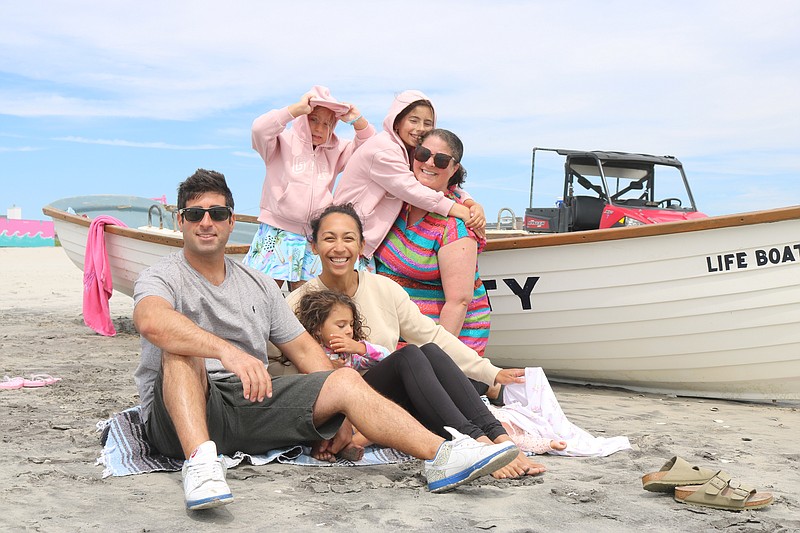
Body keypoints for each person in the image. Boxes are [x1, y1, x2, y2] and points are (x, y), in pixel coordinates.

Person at [132, 169, 519, 511]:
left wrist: (342, 416)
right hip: (178, 413)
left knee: (345, 378)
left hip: (247, 402)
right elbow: (152, 320)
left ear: (231, 222)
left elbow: (303, 349)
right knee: (180, 351)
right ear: (180, 221)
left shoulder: (259, 285)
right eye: (195, 214)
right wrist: (225, 351)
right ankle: (201, 464)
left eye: (216, 214)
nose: (206, 222)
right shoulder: (162, 276)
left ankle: (443, 456)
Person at [281, 203, 547, 479]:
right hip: (336, 401)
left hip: (381, 400)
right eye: (329, 238)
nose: (339, 247)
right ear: (314, 246)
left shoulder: (384, 289)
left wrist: (491, 372)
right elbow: (277, 364)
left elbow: (432, 335)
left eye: (348, 238)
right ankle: (478, 446)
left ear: (361, 245)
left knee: (427, 350)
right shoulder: (299, 302)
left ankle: (501, 441)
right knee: (408, 357)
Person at [332, 90, 485, 268]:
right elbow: (412, 190)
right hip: (345, 238)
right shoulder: (384, 150)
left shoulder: (411, 151)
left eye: (427, 123)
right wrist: (461, 211)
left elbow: (447, 181)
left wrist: (471, 203)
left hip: (361, 241)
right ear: (396, 122)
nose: (420, 128)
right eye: (413, 120)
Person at [243, 86, 376, 290]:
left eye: (327, 123)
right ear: (303, 118)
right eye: (314, 120)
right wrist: (295, 109)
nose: (319, 129)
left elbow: (369, 147)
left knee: (310, 303)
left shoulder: (337, 149)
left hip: (312, 237)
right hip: (277, 232)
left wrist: (357, 120)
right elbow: (259, 129)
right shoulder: (281, 142)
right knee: (261, 297)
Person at [375, 129, 491, 355]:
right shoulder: (396, 203)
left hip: (437, 344)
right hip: (394, 337)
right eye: (423, 154)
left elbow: (459, 302)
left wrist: (436, 359)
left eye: (441, 160)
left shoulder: (456, 225)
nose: (429, 163)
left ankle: (491, 386)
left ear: (454, 169)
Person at [295, 289, 390, 371]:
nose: (349, 330)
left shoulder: (350, 355)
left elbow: (387, 358)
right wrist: (328, 366)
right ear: (317, 328)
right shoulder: (309, 352)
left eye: (351, 324)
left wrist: (360, 348)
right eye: (341, 325)